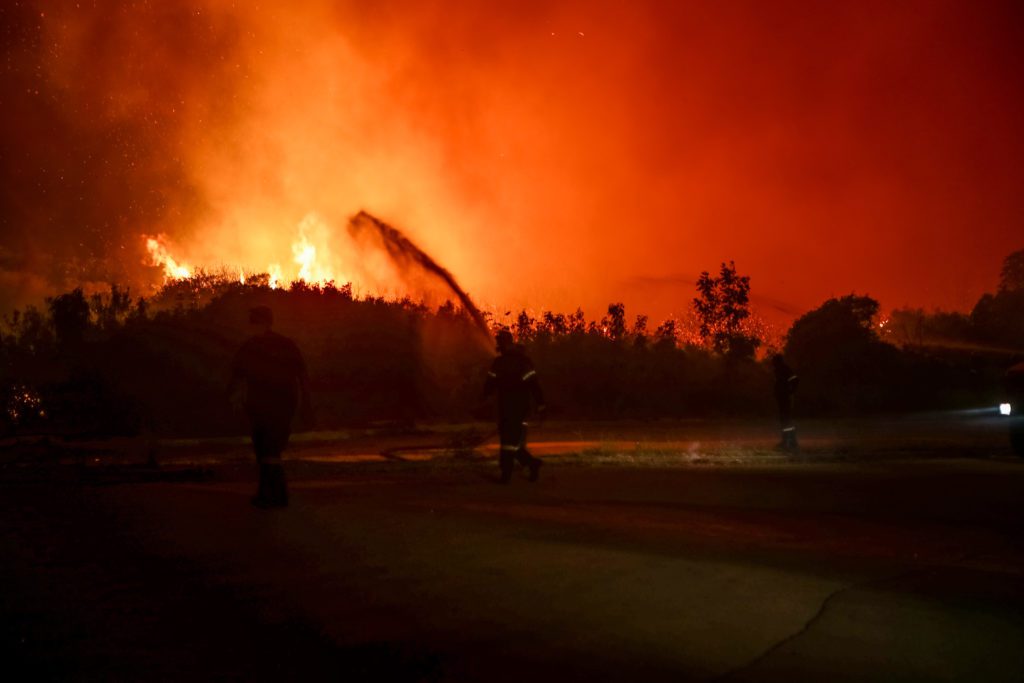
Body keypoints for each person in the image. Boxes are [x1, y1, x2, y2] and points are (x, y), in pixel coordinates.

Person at [229, 306, 310, 508]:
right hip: (280, 404)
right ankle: (274, 494)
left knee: (267, 449)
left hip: (267, 404)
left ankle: (272, 495)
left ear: (262, 323)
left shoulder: (252, 346)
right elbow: (302, 374)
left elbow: (237, 375)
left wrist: (232, 396)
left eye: (254, 322)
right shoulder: (285, 344)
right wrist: (306, 402)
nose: (251, 327)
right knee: (270, 450)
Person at [484, 330, 546, 483]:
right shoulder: (509, 362)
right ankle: (532, 464)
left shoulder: (510, 362)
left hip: (516, 408)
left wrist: (541, 405)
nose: (499, 345)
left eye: (501, 342)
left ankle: (506, 474)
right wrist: (540, 405)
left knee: (508, 443)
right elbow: (490, 385)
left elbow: (533, 384)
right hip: (511, 407)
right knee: (512, 443)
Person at [772, 354, 799, 452]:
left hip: (785, 398)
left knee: (786, 420)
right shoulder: (779, 370)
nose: (773, 364)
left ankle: (791, 441)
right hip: (782, 398)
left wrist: (791, 391)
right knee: (784, 420)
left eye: (774, 362)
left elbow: (795, 379)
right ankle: (787, 441)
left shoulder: (784, 369)